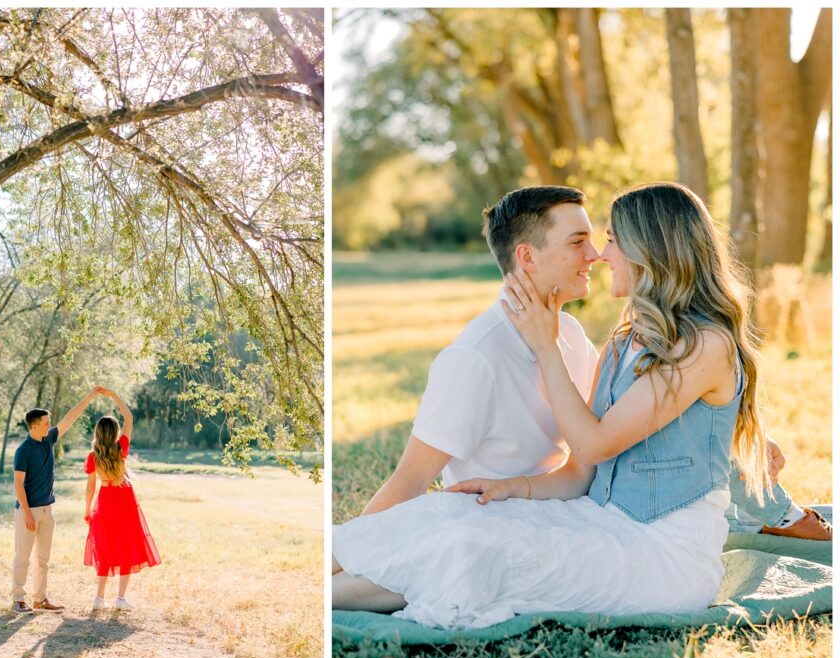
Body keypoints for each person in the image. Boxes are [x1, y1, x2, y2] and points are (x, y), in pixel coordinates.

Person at [332, 182, 813, 630]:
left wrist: (545, 347)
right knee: (447, 515)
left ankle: (321, 593)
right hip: (602, 522)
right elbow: (581, 472)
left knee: (471, 545)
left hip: (666, 558)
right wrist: (511, 487)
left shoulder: (704, 344)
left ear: (652, 249)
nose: (601, 256)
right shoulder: (625, 340)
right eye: (586, 242)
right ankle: (323, 573)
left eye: (610, 241)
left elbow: (595, 442)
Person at [12, 388, 102, 614]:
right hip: (28, 510)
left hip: (47, 510)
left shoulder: (48, 439)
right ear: (34, 425)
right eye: (45, 422)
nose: (49, 424)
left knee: (43, 559)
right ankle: (18, 600)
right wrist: (27, 513)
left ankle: (40, 599)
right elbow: (18, 485)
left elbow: (69, 418)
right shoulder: (23, 451)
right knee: (23, 557)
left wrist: (90, 396)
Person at [84, 387, 161, 610]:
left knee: (106, 549)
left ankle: (99, 599)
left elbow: (90, 487)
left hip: (105, 501)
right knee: (126, 547)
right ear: (115, 432)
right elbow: (129, 416)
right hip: (124, 501)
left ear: (97, 433)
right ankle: (120, 598)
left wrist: (87, 509)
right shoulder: (121, 448)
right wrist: (114, 396)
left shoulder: (93, 455)